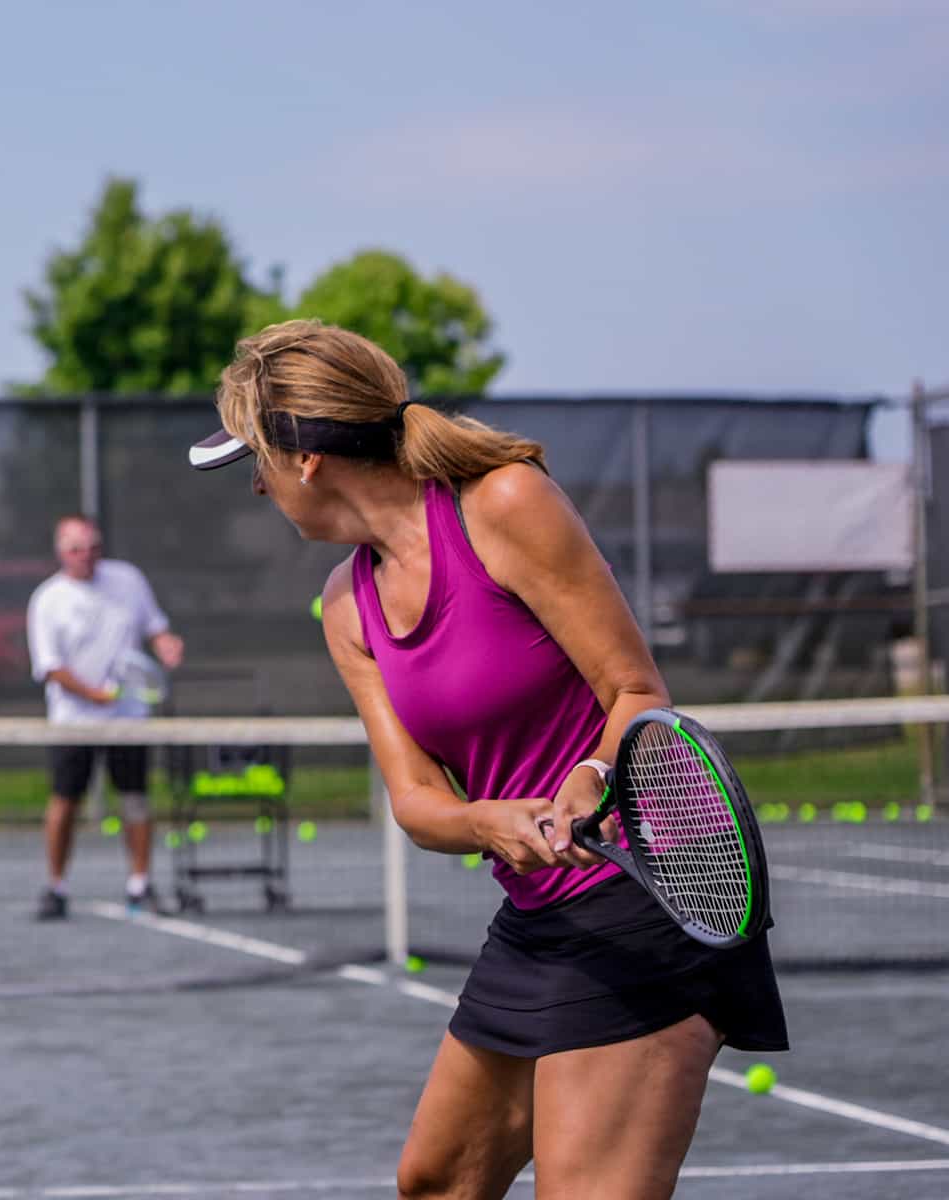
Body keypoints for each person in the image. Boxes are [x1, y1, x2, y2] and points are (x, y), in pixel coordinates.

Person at [190, 321, 787, 1200]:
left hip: (651, 890)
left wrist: (588, 779)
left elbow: (636, 692)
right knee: (436, 1182)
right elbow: (415, 798)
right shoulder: (347, 606)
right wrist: (488, 822)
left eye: (257, 460)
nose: (255, 484)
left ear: (306, 460)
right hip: (542, 911)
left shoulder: (505, 504)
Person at [26, 514, 185, 920]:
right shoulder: (47, 599)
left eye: (94, 547)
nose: (87, 556)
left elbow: (156, 627)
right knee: (65, 802)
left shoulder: (128, 579)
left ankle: (140, 885)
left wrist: (165, 644)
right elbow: (50, 667)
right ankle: (56, 887)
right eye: (77, 549)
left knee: (135, 799)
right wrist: (93, 695)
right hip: (73, 721)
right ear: (61, 552)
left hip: (129, 719)